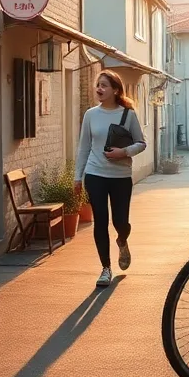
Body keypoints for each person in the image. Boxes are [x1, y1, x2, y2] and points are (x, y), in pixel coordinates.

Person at [74, 70, 147, 287]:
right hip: (95, 174)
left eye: (104, 85)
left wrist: (123, 153)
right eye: (98, 84)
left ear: (115, 90)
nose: (99, 88)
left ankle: (122, 239)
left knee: (120, 222)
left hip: (120, 176)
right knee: (101, 222)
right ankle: (105, 268)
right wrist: (78, 178)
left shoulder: (128, 114)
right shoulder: (90, 115)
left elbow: (141, 143)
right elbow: (84, 148)